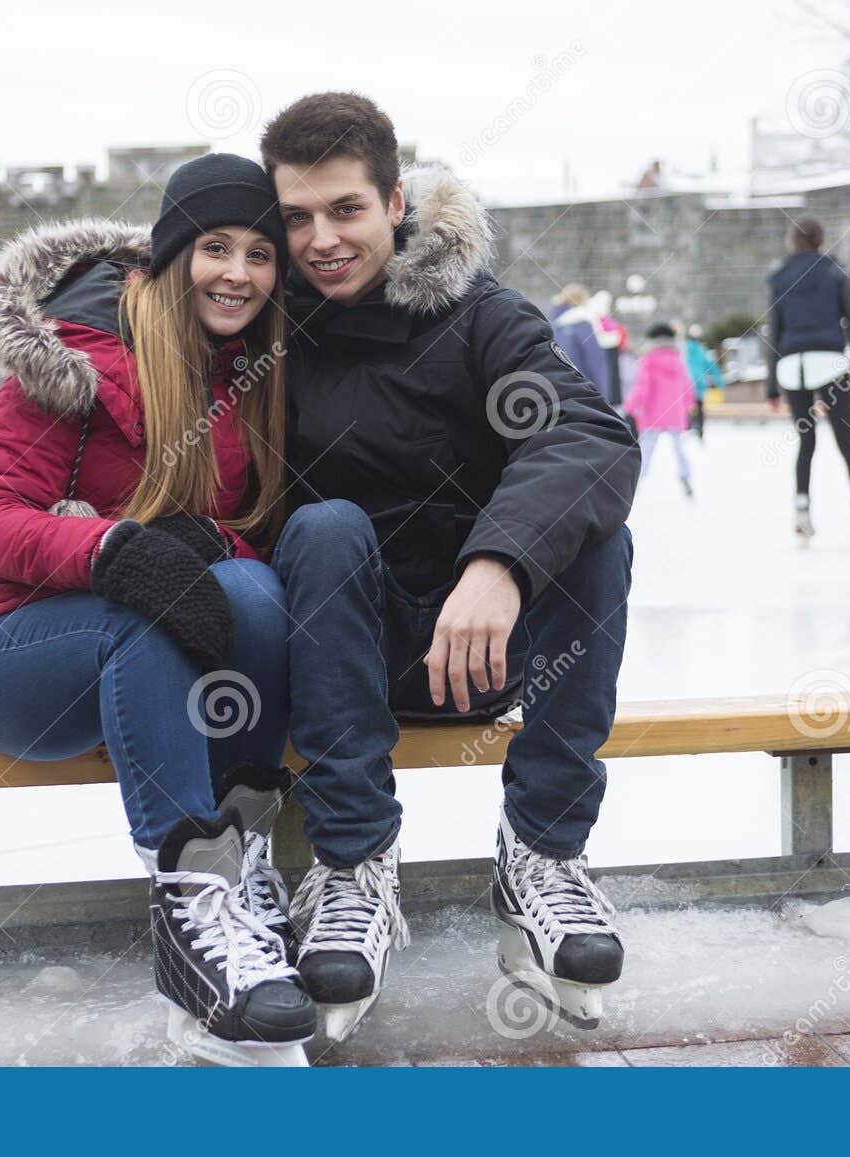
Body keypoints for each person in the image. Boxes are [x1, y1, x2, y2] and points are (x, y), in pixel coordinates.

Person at [261, 93, 639, 1040]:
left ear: (395, 201)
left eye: (345, 209)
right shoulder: (263, 339)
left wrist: (499, 563)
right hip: (341, 652)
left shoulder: (479, 319)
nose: (322, 240)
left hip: (491, 646)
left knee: (598, 533)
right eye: (296, 218)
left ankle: (543, 855)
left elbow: (591, 436)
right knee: (325, 525)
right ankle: (353, 865)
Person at [0, 154, 312, 1066]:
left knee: (258, 593)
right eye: (215, 247)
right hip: (10, 648)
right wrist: (113, 548)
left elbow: (249, 534)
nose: (239, 273)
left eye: (261, 254)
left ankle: (239, 871)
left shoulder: (251, 373)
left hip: (152, 655)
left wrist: (203, 546)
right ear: (174, 252)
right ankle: (193, 923)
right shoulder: (76, 354)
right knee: (140, 614)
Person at [766, 218, 850, 542]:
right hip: (829, 362)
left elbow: (773, 331)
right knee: (846, 440)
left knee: (806, 441)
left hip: (792, 366)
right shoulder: (834, 272)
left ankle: (801, 511)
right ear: (820, 239)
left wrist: (771, 385)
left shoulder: (779, 277)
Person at [625, 322, 694, 496]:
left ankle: (635, 482)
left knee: (646, 448)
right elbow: (687, 386)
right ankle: (685, 478)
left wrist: (631, 407)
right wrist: (687, 405)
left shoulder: (648, 361)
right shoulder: (678, 360)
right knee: (679, 447)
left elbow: (643, 387)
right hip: (675, 413)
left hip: (652, 413)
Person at [549, 283, 616, 405]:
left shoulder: (551, 325)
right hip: (584, 394)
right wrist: (603, 397)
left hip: (557, 391)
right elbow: (595, 362)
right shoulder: (582, 324)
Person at [682, 323, 725, 440]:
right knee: (699, 408)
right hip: (699, 385)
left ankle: (687, 429)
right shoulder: (702, 350)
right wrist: (719, 382)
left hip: (685, 386)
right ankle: (699, 431)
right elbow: (712, 367)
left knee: (686, 408)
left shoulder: (683, 350)